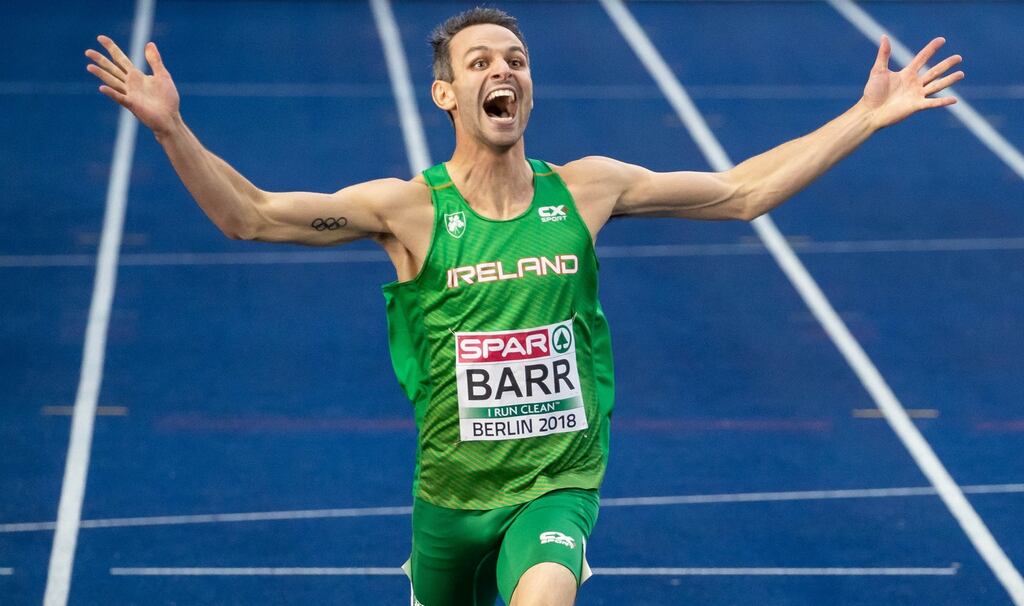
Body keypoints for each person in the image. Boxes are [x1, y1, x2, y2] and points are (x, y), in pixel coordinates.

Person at [85, 7, 963, 605]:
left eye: (515, 60)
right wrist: (171, 128)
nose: (502, 70)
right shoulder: (409, 209)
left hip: (559, 481)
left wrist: (863, 116)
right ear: (447, 94)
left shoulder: (586, 190)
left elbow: (740, 191)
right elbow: (251, 216)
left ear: (527, 89)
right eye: (479, 62)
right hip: (451, 497)